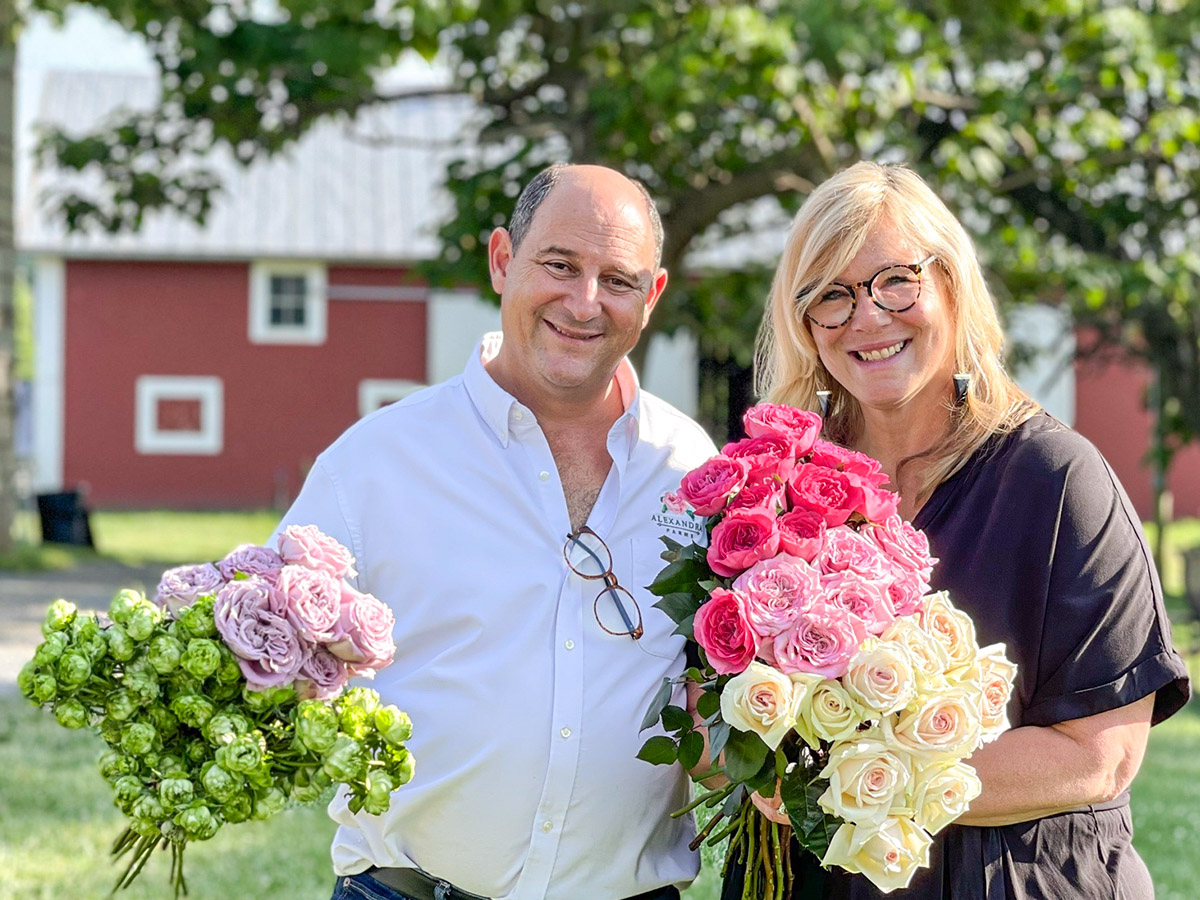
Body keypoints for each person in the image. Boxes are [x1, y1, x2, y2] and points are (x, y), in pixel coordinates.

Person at [735, 161, 1191, 899]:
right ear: (805, 324)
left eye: (896, 280)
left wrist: (854, 788)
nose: (869, 316)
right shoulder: (777, 496)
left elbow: (1098, 756)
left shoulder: (1057, 482)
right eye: (832, 296)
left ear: (950, 283)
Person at [274, 164, 717, 900]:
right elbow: (267, 663)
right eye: (560, 265)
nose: (584, 302)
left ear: (653, 296)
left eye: (617, 279)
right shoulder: (375, 463)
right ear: (503, 260)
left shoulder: (693, 469)